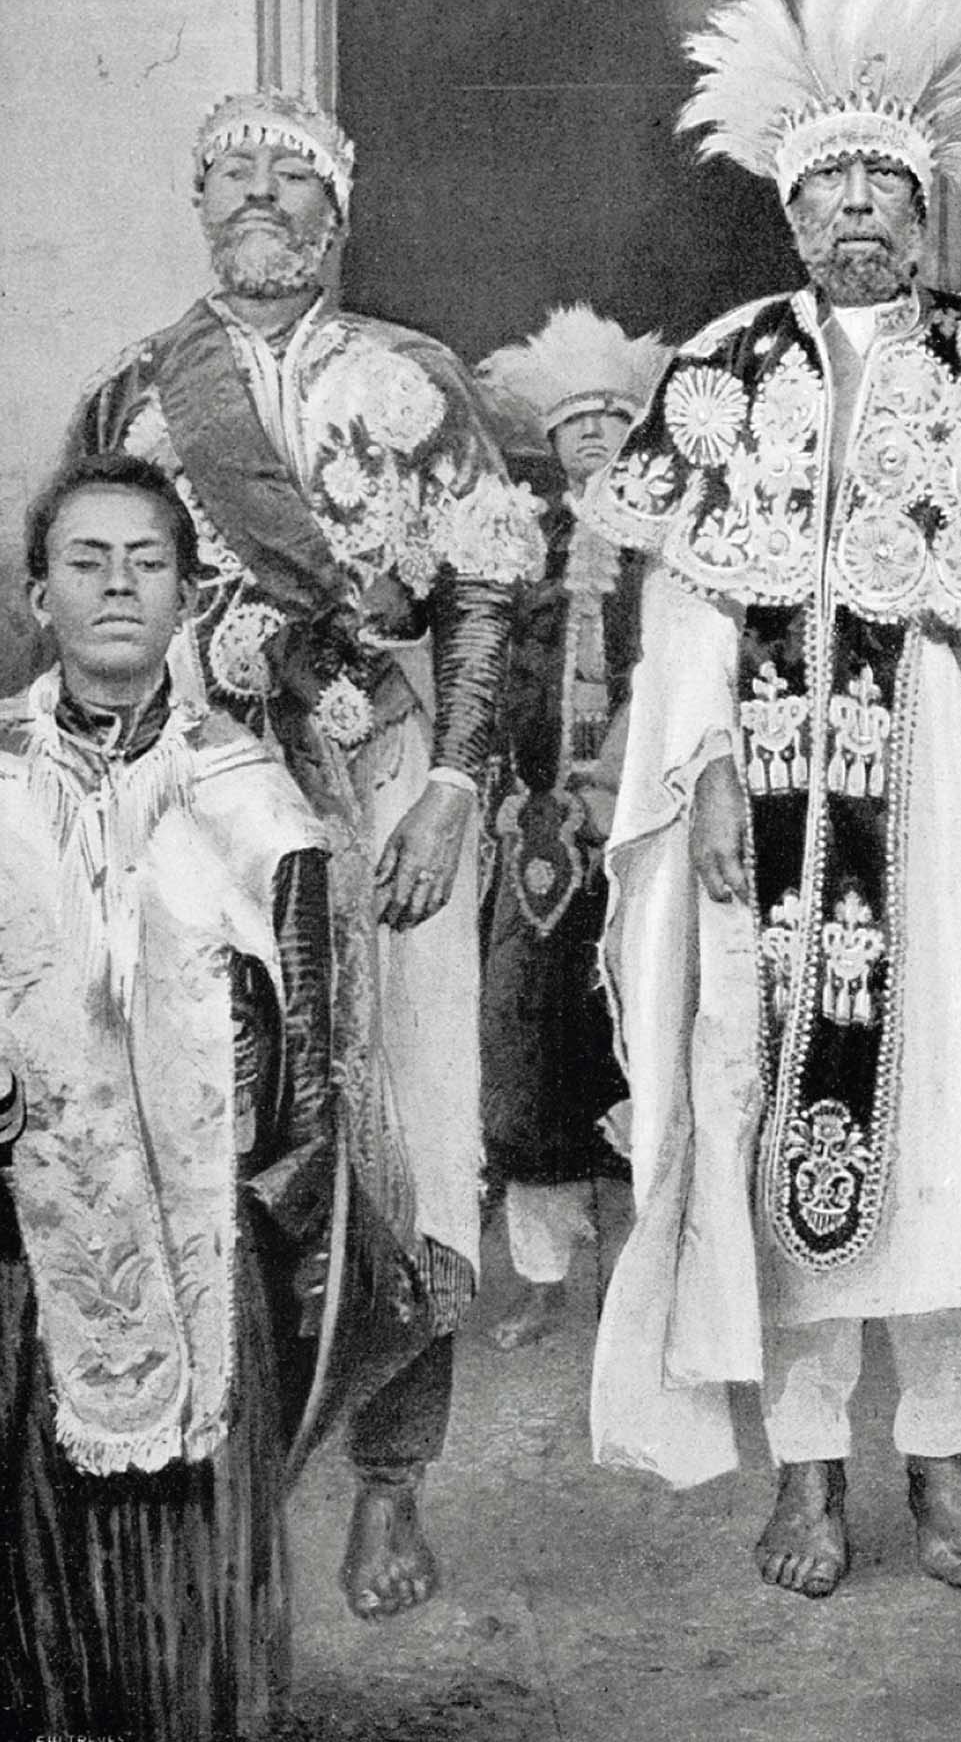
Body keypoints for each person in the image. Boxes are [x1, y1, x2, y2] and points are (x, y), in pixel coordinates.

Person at [584, 0, 961, 1601]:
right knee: (767, 1098)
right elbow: (675, 590)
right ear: (791, 215)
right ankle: (808, 1475)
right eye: (833, 198)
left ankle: (942, 1454)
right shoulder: (727, 362)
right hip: (771, 791)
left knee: (951, 1095)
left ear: (925, 209)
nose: (860, 220)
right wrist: (705, 770)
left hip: (940, 787)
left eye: (889, 193)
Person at [66, 92, 544, 1620]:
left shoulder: (416, 378)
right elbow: (78, 604)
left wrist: (459, 786)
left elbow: (486, 595)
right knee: (217, 1110)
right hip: (198, 789)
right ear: (197, 204)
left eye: (295, 179)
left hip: (386, 777)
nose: (263, 202)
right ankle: (227, 1464)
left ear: (340, 211)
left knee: (407, 1107)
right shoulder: (140, 391)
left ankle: (393, 1483)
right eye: (235, 179)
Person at [0, 454, 332, 1738]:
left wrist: (269, 1189)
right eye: (89, 561)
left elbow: (316, 1042)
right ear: (40, 597)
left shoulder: (251, 791)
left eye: (147, 561)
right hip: (22, 1236)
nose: (119, 584)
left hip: (207, 1229)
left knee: (200, 1584)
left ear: (189, 600)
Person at [474, 307, 664, 1351]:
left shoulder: (666, 544)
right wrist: (512, 787)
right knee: (525, 1032)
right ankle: (544, 1271)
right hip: (530, 823)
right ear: (547, 443)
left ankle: (645, 1264)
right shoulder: (515, 547)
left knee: (637, 1027)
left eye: (612, 418)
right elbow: (483, 667)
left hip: (638, 819)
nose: (593, 435)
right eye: (574, 422)